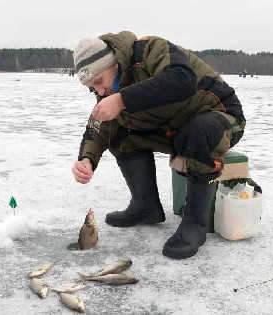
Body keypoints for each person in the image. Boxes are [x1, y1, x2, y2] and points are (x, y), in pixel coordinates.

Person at [71, 31, 245, 259]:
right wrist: (87, 159)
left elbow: (182, 80)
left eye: (99, 82)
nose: (100, 92)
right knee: (119, 132)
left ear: (112, 64)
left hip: (221, 117)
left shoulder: (151, 50)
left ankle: (195, 223)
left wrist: (122, 99)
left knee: (197, 131)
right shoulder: (110, 91)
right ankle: (145, 206)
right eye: (93, 89)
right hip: (174, 127)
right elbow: (99, 126)